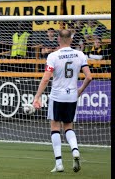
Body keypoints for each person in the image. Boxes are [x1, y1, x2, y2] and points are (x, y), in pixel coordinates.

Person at [32, 30, 92, 173]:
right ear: (71, 39)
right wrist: (79, 91)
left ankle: (59, 163)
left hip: (57, 95)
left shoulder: (53, 56)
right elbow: (89, 77)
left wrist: (37, 97)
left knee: (55, 128)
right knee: (68, 127)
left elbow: (46, 78)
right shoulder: (80, 54)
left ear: (58, 39)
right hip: (71, 95)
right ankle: (75, 150)